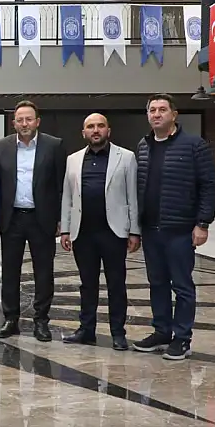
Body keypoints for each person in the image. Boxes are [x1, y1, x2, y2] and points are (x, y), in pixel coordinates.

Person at [134, 93, 215, 361]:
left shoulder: (194, 145)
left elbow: (208, 186)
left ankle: (182, 338)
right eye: (152, 110)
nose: (157, 114)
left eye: (162, 109)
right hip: (151, 229)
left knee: (182, 285)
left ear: (174, 114)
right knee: (157, 283)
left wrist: (203, 223)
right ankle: (162, 332)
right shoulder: (144, 146)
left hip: (180, 229)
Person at [58, 113, 140, 351]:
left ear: (108, 131)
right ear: (83, 132)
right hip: (83, 233)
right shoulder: (73, 159)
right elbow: (67, 197)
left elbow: (133, 196)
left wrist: (134, 231)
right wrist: (65, 229)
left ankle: (118, 333)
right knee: (87, 284)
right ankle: (86, 330)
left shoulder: (126, 157)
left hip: (114, 232)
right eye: (90, 127)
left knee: (116, 284)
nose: (96, 130)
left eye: (100, 126)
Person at [0, 100, 65, 342]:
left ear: (37, 122)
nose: (24, 124)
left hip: (41, 218)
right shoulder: (2, 146)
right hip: (12, 218)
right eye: (20, 120)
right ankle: (10, 319)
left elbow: (61, 185)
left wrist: (60, 219)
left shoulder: (54, 145)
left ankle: (41, 321)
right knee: (10, 272)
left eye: (29, 119)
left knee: (43, 272)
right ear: (14, 123)